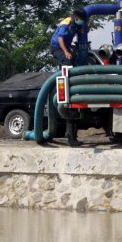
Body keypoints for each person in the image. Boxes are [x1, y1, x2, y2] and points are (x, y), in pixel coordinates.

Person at [50, 8, 87, 146]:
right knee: (67, 61)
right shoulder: (66, 23)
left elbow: (81, 31)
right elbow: (60, 39)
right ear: (76, 16)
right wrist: (66, 51)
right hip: (57, 47)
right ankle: (66, 86)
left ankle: (70, 82)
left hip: (66, 46)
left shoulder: (76, 24)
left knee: (73, 59)